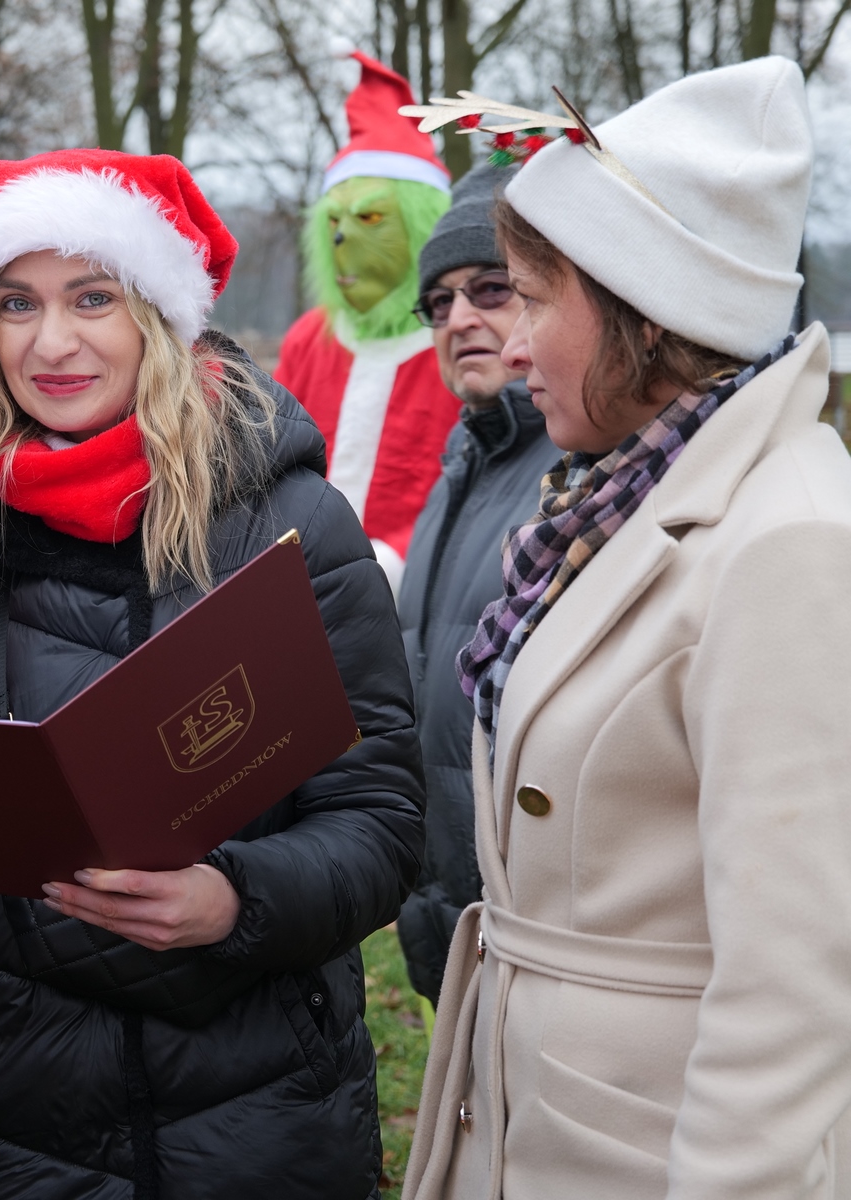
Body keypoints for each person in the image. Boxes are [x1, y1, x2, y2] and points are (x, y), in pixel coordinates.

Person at [0, 148, 425, 1198]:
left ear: (156, 314)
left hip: (256, 1110)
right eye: (17, 303)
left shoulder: (289, 520)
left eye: (91, 298)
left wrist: (234, 899)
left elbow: (381, 820)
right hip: (3, 1113)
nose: (51, 342)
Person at [404, 58, 851, 1200]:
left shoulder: (789, 538)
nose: (507, 346)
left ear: (646, 312)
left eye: (530, 297)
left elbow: (796, 984)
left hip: (645, 1152)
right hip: (534, 1121)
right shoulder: (612, 498)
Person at [394, 164, 558, 1010]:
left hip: (542, 942)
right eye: (438, 301)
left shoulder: (587, 476)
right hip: (452, 931)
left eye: (491, 288)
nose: (459, 318)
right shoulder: (465, 462)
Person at [274, 49, 460, 591]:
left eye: (371, 217)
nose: (342, 238)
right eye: (333, 219)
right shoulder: (311, 339)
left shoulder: (459, 343)